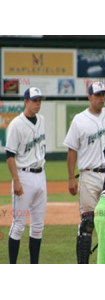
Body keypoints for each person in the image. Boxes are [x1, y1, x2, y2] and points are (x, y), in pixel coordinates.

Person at [63, 82, 105, 264]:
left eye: (104, 95)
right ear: (90, 97)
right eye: (98, 95)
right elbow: (72, 150)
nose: (102, 98)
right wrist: (71, 178)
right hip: (89, 176)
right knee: (87, 223)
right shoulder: (79, 119)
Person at [5, 87, 47, 264]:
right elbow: (9, 156)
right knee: (18, 226)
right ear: (26, 102)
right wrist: (16, 181)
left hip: (41, 175)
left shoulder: (42, 120)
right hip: (24, 177)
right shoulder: (16, 124)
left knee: (38, 227)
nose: (37, 103)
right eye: (34, 100)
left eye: (39, 100)